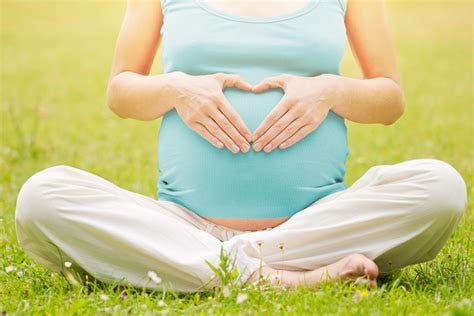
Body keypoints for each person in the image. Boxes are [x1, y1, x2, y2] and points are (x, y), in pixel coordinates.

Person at [15, 0, 467, 293]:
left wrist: (331, 90)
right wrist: (176, 89)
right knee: (41, 198)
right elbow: (120, 90)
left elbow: (390, 99)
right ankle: (285, 278)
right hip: (185, 222)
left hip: (312, 224)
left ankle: (204, 269)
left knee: (441, 188)